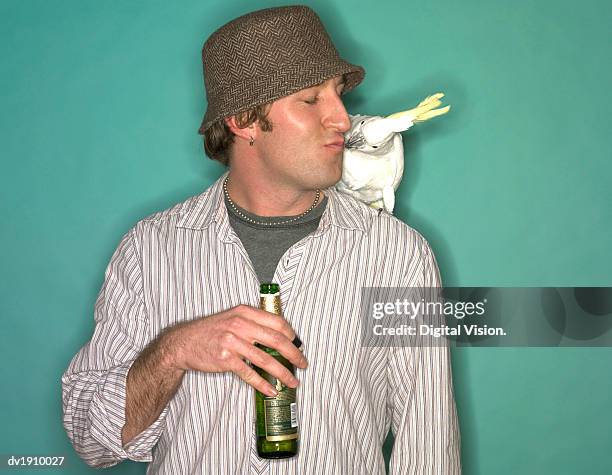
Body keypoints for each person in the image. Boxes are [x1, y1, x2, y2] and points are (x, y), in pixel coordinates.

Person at [62, 5, 461, 474]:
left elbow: (428, 441)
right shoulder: (150, 249)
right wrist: (173, 351)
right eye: (311, 100)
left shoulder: (399, 255)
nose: (342, 119)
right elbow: (92, 440)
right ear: (244, 120)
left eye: (338, 95)